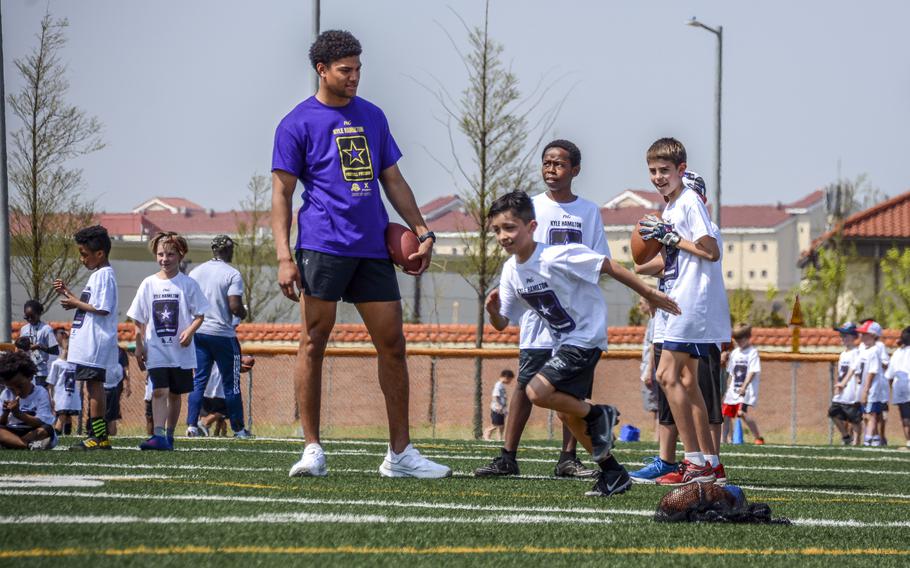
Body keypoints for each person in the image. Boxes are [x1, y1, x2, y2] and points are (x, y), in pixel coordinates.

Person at [271, 30, 449, 479]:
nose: (354, 77)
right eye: (345, 70)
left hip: (372, 247)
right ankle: (312, 449)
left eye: (358, 69)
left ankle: (401, 454)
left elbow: (393, 180)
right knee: (314, 341)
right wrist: (283, 257)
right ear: (322, 70)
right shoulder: (297, 123)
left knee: (393, 344)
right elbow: (281, 194)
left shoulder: (373, 116)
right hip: (321, 244)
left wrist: (421, 228)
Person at [484, 190, 680, 497]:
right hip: (563, 341)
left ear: (531, 227)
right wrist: (494, 312)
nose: (503, 236)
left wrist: (649, 293)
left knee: (536, 391)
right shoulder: (511, 270)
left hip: (586, 336)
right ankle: (613, 473)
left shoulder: (556, 254)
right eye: (496, 230)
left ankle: (598, 414)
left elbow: (608, 266)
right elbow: (501, 324)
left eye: (509, 227)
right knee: (568, 415)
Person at [475, 140, 611, 478]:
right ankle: (507, 455)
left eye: (560, 164)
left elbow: (599, 263)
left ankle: (569, 457)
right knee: (525, 382)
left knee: (571, 391)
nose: (552, 170)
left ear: (574, 170)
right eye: (547, 163)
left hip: (574, 318)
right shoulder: (530, 208)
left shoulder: (588, 212)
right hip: (539, 314)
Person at [637, 140, 731, 485]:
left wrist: (672, 238)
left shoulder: (689, 201)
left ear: (681, 170)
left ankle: (694, 462)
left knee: (666, 376)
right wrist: (638, 264)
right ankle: (710, 464)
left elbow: (710, 250)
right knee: (687, 381)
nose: (658, 177)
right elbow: (676, 257)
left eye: (665, 171)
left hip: (690, 301)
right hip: (676, 297)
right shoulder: (673, 207)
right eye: (653, 171)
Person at [128, 232, 209, 451]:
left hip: (180, 352)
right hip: (156, 349)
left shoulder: (188, 284)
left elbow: (200, 314)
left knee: (175, 394)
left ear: (180, 255)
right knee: (158, 391)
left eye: (170, 254)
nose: (165, 259)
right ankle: (158, 435)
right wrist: (139, 345)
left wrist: (190, 331)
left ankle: (170, 435)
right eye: (161, 254)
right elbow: (138, 317)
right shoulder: (148, 284)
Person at [53, 225, 118, 451]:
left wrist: (74, 302)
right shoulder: (98, 275)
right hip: (88, 343)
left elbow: (102, 308)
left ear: (99, 254)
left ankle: (98, 436)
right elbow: (89, 305)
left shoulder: (105, 275)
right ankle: (99, 437)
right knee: (93, 388)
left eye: (84, 254)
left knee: (95, 389)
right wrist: (67, 293)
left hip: (95, 343)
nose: (82, 259)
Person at [187, 235, 250, 438]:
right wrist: (243, 312)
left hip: (199, 332)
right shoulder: (232, 274)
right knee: (231, 383)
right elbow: (234, 306)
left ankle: (191, 426)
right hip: (223, 334)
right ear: (229, 249)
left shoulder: (195, 272)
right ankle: (239, 429)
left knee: (199, 382)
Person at [0, 351, 57, 450]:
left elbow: (41, 422)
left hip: (32, 431)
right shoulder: (6, 394)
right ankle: (27, 445)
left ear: (30, 377)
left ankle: (11, 443)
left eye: (20, 386)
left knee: (47, 430)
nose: (17, 392)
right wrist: (5, 413)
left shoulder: (40, 392)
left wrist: (18, 414)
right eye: (11, 388)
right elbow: (2, 423)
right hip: (12, 430)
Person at [721, 324, 763, 445]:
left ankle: (758, 437)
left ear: (748, 337)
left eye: (741, 339)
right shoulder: (735, 353)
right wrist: (727, 391)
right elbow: (731, 373)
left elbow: (752, 371)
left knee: (741, 413)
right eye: (737, 340)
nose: (739, 342)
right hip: (733, 390)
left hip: (746, 390)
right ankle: (724, 439)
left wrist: (744, 386)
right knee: (726, 415)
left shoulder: (752, 352)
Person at [829, 322, 863, 445]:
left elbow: (855, 370)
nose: (843, 338)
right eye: (841, 335)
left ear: (854, 337)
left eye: (846, 335)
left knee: (854, 420)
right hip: (841, 391)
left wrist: (847, 384)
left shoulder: (857, 352)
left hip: (851, 391)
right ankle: (846, 437)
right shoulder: (843, 354)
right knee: (833, 413)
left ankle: (857, 443)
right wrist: (839, 385)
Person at [855, 320, 887, 446]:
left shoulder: (874, 350)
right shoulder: (865, 350)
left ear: (873, 335)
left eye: (865, 334)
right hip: (865, 388)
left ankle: (867, 441)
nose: (861, 336)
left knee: (871, 415)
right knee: (866, 415)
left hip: (872, 390)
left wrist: (866, 390)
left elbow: (872, 372)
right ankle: (874, 440)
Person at [45, 329, 81, 435]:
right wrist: (51, 398)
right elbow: (51, 383)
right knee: (62, 416)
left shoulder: (75, 364)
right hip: (61, 396)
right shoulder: (57, 364)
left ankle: (67, 435)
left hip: (71, 395)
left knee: (68, 416)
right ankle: (55, 435)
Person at [19, 300, 59, 387]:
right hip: (27, 370)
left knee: (40, 397)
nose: (29, 319)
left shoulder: (46, 329)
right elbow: (20, 348)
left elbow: (55, 351)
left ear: (39, 314)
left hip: (41, 372)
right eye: (27, 317)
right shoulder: (24, 329)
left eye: (32, 316)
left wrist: (39, 346)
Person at [886, 326, 910, 450]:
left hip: (900, 387)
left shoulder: (897, 353)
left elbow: (889, 375)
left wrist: (892, 388)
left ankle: (909, 442)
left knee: (906, 416)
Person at [639, 297, 659, 441]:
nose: (639, 306)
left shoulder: (654, 321)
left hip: (651, 370)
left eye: (641, 303)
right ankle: (657, 436)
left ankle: (657, 437)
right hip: (648, 368)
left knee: (657, 406)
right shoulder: (652, 320)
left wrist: (649, 371)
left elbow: (653, 347)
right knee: (655, 407)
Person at [103, 347, 131, 437]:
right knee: (101, 410)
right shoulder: (102, 348)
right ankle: (100, 434)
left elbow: (126, 368)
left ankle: (111, 435)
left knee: (111, 411)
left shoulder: (120, 351)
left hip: (115, 385)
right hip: (101, 383)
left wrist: (128, 384)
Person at [483, 369, 514, 441]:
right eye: (510, 379)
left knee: (502, 425)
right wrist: (498, 405)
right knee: (496, 424)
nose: (510, 382)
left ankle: (499, 438)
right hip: (497, 409)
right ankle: (486, 433)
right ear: (506, 377)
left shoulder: (502, 385)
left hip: (502, 409)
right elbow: (495, 395)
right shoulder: (498, 385)